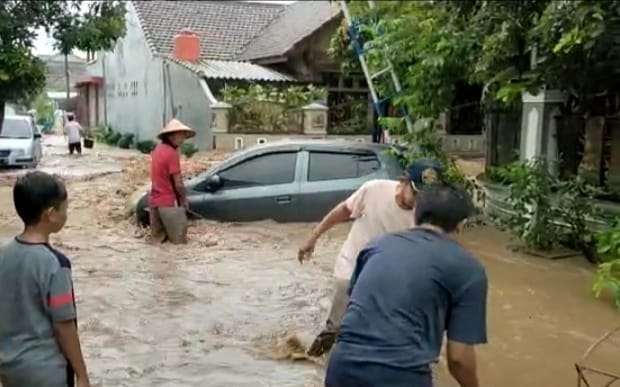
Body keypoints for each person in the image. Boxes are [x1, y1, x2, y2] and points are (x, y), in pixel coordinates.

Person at [325, 185, 487, 387]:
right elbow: (458, 358)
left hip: (342, 368)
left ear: (416, 214)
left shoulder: (376, 246)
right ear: (461, 225)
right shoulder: (469, 268)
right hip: (402, 375)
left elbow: (354, 308)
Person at [299, 159, 443, 357]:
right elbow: (343, 211)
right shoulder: (374, 189)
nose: (420, 201)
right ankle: (314, 356)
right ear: (404, 182)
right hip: (353, 263)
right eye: (416, 193)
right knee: (338, 323)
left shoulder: (426, 215)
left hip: (388, 272)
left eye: (426, 196)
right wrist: (313, 237)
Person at [0, 172, 90, 387]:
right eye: (65, 209)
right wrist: (82, 376)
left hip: (9, 368)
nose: (66, 214)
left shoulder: (3, 254)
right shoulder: (56, 265)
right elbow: (64, 325)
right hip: (47, 372)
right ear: (50, 214)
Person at [149, 118, 196, 244]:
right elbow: (178, 183)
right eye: (182, 135)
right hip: (169, 204)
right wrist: (184, 200)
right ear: (172, 136)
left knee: (157, 243)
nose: (184, 139)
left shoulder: (157, 150)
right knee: (180, 244)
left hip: (154, 203)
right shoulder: (172, 153)